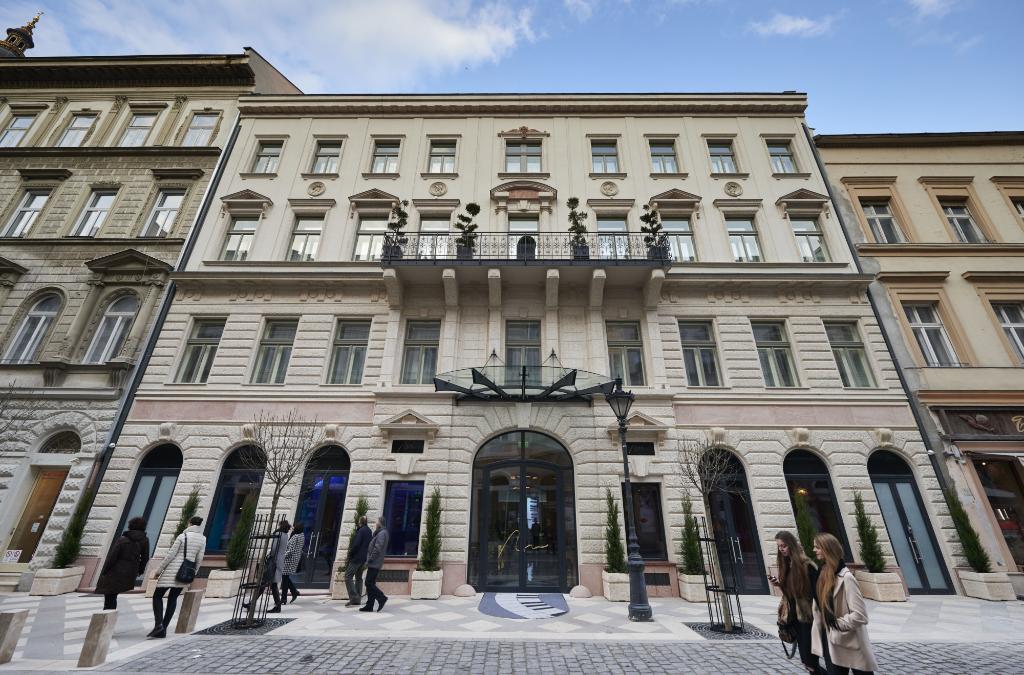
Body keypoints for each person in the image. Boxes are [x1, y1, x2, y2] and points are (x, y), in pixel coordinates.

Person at [812, 533, 878, 675]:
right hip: (832, 639)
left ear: (827, 549)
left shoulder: (846, 578)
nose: (814, 550)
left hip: (850, 641)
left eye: (817, 547)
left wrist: (836, 624)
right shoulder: (822, 573)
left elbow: (860, 615)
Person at [770, 531, 819, 674]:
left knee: (809, 660)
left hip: (807, 618)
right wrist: (779, 584)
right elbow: (790, 592)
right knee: (806, 661)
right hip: (794, 617)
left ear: (791, 545)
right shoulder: (787, 564)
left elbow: (816, 593)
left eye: (784, 546)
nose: (781, 549)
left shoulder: (806, 565)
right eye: (779, 547)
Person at [149, 516, 206, 638]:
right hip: (185, 573)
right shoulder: (202, 539)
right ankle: (163, 628)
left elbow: (170, 555)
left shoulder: (182, 536)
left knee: (157, 596)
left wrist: (159, 570)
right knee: (173, 599)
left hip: (172, 570)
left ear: (190, 523)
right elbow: (199, 559)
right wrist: (193, 573)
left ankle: (158, 625)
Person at [95, 517, 150, 611]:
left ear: (130, 526)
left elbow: (113, 557)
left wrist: (105, 571)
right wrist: (140, 570)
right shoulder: (145, 540)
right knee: (113, 594)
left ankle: (107, 615)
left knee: (110, 595)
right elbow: (145, 558)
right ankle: (109, 614)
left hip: (116, 570)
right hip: (131, 571)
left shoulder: (123, 539)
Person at [243, 519, 290, 614]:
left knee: (265, 584)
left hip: (274, 562)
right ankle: (254, 604)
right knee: (271, 585)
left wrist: (269, 557)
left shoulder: (278, 535)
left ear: (280, 526)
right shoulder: (286, 535)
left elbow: (273, 549)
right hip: (279, 561)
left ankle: (253, 604)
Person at [360, 516, 389, 613]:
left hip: (374, 562)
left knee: (368, 583)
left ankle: (382, 598)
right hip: (375, 562)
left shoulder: (382, 533)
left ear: (380, 523)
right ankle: (369, 605)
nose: (375, 524)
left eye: (376, 522)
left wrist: (370, 559)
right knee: (371, 583)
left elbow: (377, 548)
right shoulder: (381, 533)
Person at [344, 516, 371, 607]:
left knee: (348, 576)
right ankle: (358, 599)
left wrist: (351, 554)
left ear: (360, 522)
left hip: (357, 557)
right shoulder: (369, 531)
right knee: (359, 577)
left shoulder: (361, 530)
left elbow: (356, 544)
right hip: (363, 558)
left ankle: (354, 597)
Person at [280, 522, 305, 604]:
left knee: (284, 578)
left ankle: (284, 598)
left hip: (289, 560)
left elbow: (290, 551)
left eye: (294, 527)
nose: (293, 528)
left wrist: (282, 557)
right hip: (294, 559)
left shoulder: (295, 537)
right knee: (285, 577)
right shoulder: (302, 535)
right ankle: (294, 591)